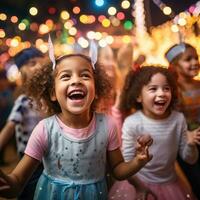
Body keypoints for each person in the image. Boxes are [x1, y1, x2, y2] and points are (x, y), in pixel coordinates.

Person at [0, 53, 153, 199]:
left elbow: (118, 170)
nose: (76, 81)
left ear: (97, 90)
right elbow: (17, 181)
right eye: (66, 76)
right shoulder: (44, 129)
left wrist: (138, 161)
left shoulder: (107, 125)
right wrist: (8, 184)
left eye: (85, 75)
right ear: (53, 93)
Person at [109, 66, 200, 200]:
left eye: (166, 88)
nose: (162, 93)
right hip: (137, 184)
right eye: (153, 88)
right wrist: (138, 186)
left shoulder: (178, 119)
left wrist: (191, 145)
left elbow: (190, 159)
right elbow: (126, 164)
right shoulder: (132, 122)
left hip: (171, 184)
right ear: (139, 96)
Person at [0, 47, 46, 200]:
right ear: (23, 72)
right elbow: (9, 127)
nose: (39, 66)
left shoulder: (52, 98)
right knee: (29, 191)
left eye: (41, 62)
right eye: (32, 63)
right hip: (29, 159)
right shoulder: (24, 101)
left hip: (48, 158)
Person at [165, 42, 200, 199]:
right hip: (184, 143)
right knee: (196, 180)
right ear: (175, 65)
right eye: (188, 59)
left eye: (196, 58)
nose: (194, 62)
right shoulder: (172, 91)